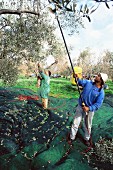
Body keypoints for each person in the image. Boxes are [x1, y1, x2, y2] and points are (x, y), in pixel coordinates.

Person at [67, 73, 107, 146]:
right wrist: (77, 78)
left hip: (90, 111)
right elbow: (80, 82)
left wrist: (89, 108)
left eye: (98, 76)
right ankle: (71, 137)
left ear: (101, 80)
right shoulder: (89, 83)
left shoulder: (101, 92)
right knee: (76, 122)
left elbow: (98, 105)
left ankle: (86, 139)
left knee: (87, 125)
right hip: (80, 106)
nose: (96, 76)